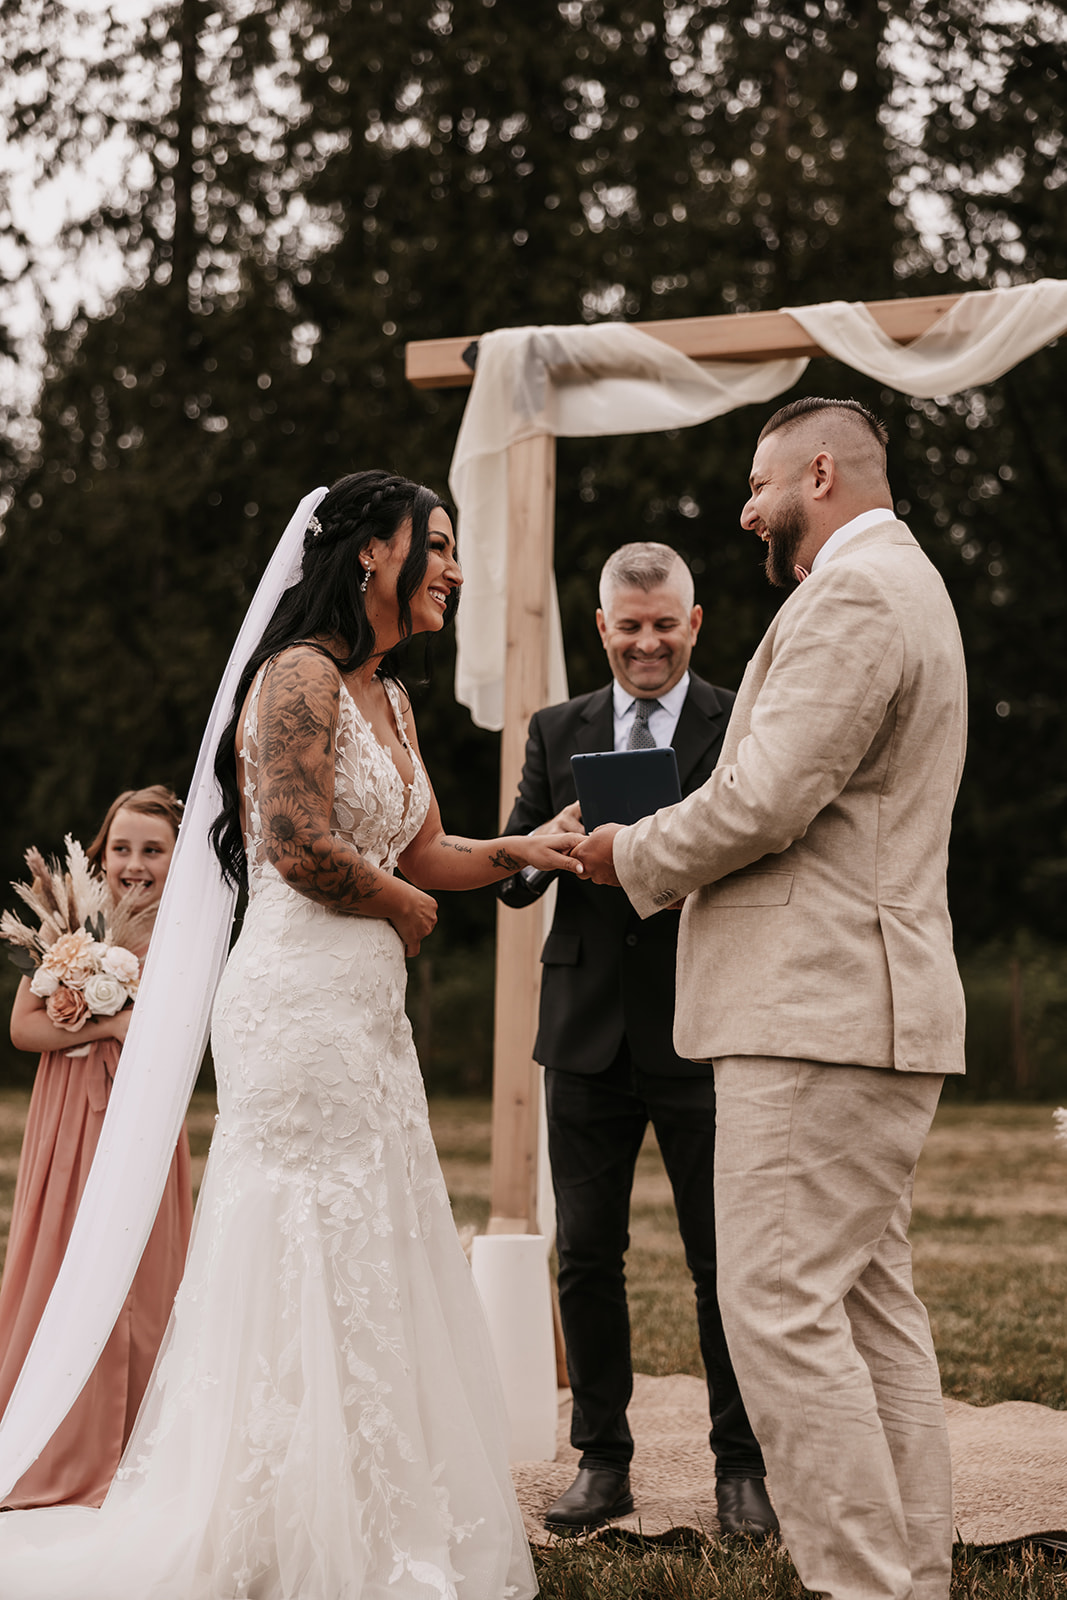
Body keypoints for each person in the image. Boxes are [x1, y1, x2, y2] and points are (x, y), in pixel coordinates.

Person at [0, 471, 583, 1600]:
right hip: (293, 1000)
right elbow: (302, 843)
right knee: (303, 1234)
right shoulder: (297, 680)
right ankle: (273, 1518)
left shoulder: (394, 700)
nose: (453, 569)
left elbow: (429, 850)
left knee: (380, 1233)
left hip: (367, 1015)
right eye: (440, 545)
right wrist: (405, 909)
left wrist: (523, 849)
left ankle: (368, 1513)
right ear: (372, 552)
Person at [575, 399, 966, 1600]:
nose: (746, 509)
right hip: (863, 1006)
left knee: (778, 1309)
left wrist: (626, 853)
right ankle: (913, 1571)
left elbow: (762, 799)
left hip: (817, 1012)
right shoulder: (907, 586)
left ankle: (863, 1584)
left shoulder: (852, 596)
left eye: (758, 483)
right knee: (860, 1303)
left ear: (819, 469)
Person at [498, 542, 776, 1541]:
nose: (646, 642)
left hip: (702, 1024)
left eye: (664, 625)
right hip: (582, 1031)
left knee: (722, 1260)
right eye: (629, 625)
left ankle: (740, 1467)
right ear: (602, 628)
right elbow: (510, 871)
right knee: (585, 1255)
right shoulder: (553, 727)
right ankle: (601, 1458)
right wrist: (547, 841)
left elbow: (762, 845)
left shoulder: (740, 714)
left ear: (692, 625)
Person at [0, 786, 192, 1510]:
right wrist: (105, 1029)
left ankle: (136, 1433)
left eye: (153, 850)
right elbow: (24, 1029)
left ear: (178, 860)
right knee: (64, 1252)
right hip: (69, 1113)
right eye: (122, 849)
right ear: (101, 854)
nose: (134, 865)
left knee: (143, 1266)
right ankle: (56, 1431)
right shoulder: (71, 924)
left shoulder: (187, 935)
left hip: (143, 1111)